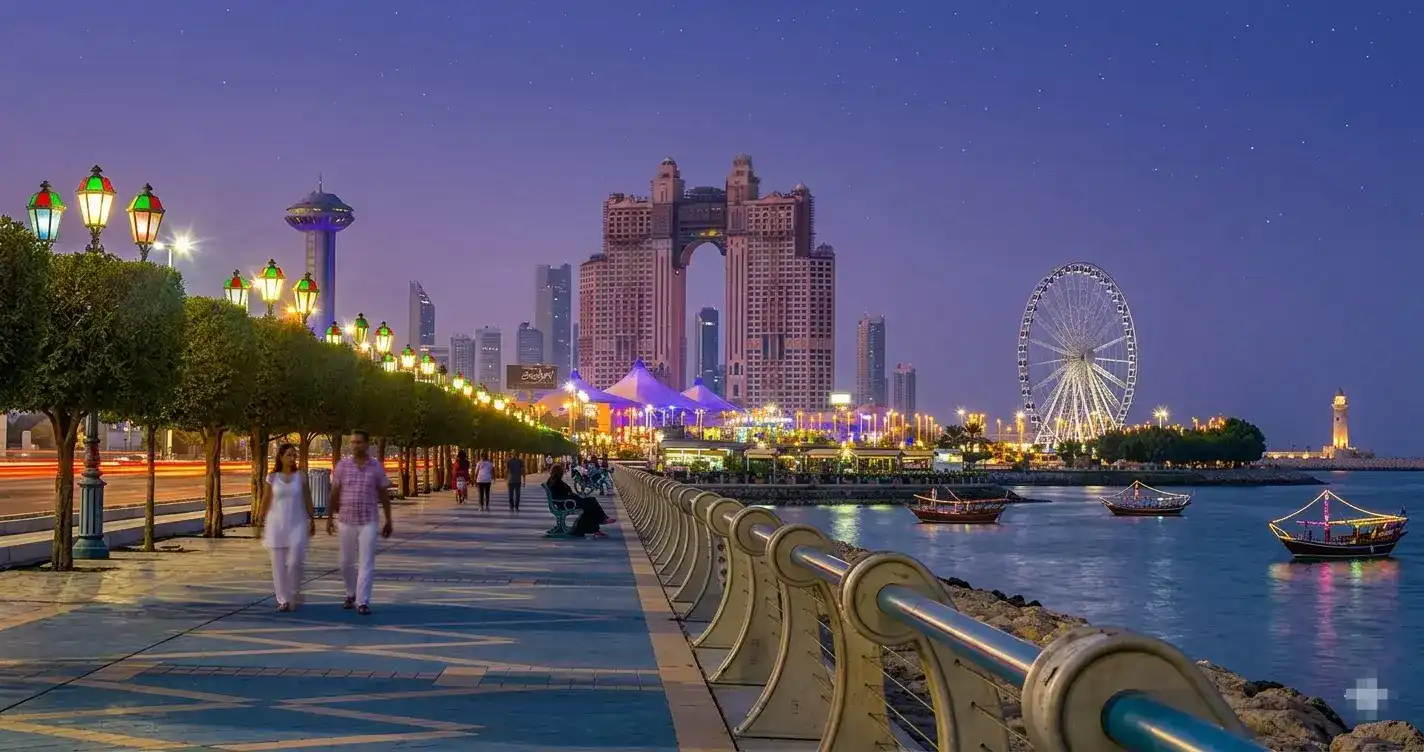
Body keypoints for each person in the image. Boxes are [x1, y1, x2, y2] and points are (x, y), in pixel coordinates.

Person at [328, 430, 393, 615]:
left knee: (366, 561)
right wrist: (329, 517)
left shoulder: (376, 467)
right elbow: (334, 492)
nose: (355, 445)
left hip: (368, 521)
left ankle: (362, 601)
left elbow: (383, 494)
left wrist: (388, 519)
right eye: (352, 442)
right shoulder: (342, 466)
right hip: (346, 520)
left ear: (367, 444)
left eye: (358, 442)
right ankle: (350, 593)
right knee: (346, 561)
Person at [257, 443, 314, 612]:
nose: (292, 458)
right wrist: (259, 520)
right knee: (278, 565)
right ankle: (283, 600)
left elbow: (308, 498)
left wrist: (312, 518)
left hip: (298, 523)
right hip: (276, 524)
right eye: (289, 454)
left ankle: (294, 590)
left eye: (294, 455)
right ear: (280, 457)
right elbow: (266, 500)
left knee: (295, 561)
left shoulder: (301, 476)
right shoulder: (272, 477)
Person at [547, 463, 615, 539]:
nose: (563, 472)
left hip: (568, 502)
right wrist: (571, 495)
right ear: (559, 472)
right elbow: (562, 495)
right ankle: (601, 521)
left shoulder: (554, 481)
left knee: (590, 505)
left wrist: (571, 495)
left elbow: (563, 494)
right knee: (591, 503)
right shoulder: (556, 482)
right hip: (568, 503)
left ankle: (598, 526)